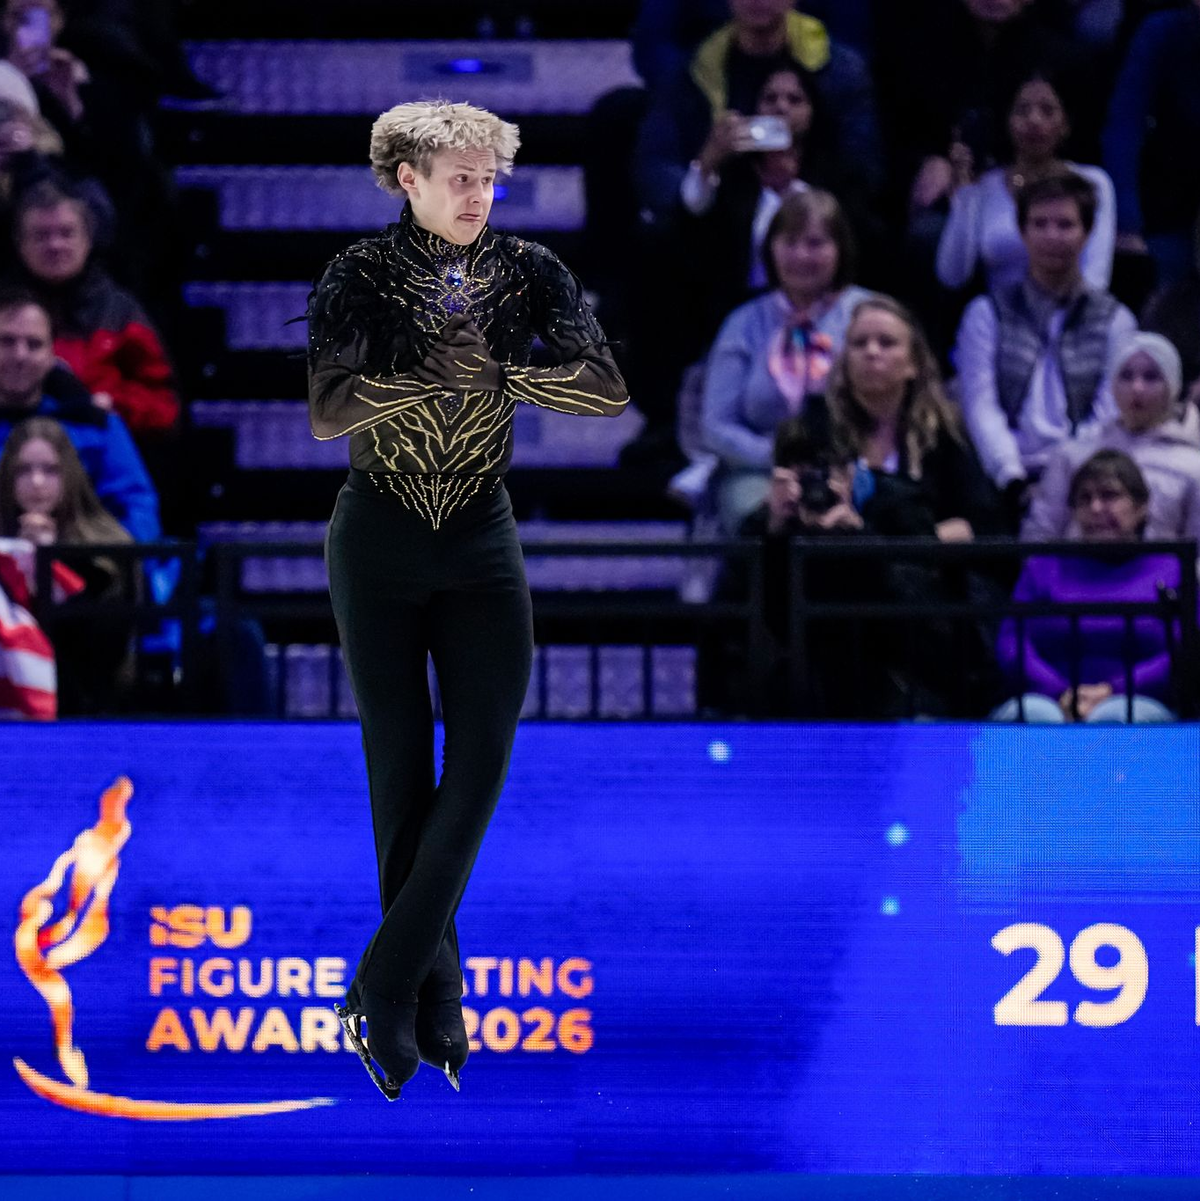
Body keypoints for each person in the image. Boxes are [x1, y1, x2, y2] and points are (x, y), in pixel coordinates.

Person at [308, 101, 627, 1098]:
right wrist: (424, 377)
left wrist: (505, 372)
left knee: (482, 759)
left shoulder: (530, 272)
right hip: (379, 538)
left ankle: (381, 984)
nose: (479, 192)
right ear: (406, 177)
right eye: (459, 175)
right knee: (400, 768)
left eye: (489, 176)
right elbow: (327, 410)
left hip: (482, 536)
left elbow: (605, 389)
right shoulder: (357, 276)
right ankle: (433, 1005)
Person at [953, 172, 1137, 525]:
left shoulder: (1116, 319)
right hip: (1001, 480)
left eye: (1065, 225)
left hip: (1084, 481)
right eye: (1040, 224)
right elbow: (980, 405)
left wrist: (1065, 475)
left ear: (1087, 233)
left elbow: (1108, 411)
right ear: (1023, 232)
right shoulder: (986, 313)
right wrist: (1012, 478)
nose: (1052, 236)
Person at [701, 190, 872, 532]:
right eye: (790, 243)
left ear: (840, 249)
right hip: (760, 470)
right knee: (762, 517)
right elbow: (716, 426)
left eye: (815, 243)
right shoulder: (744, 323)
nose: (801, 255)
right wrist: (781, 461)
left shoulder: (868, 315)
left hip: (860, 467)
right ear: (770, 249)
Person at [995, 449, 1189, 722]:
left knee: (1115, 718)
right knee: (1033, 717)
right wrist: (1060, 691)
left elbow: (1186, 650)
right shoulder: (1043, 566)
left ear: (1141, 506)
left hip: (1143, 698)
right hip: (1048, 698)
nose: (1096, 508)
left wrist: (1113, 690)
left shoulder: (1171, 569)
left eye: (1109, 496)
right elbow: (1011, 642)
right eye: (1084, 499)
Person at [9, 179, 178, 438]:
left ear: (88, 240)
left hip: (100, 451)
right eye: (42, 236)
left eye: (66, 233)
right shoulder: (3, 308)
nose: (55, 245)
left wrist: (112, 406)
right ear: (20, 244)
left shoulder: (120, 312)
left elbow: (166, 405)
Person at [0, 414, 134, 713]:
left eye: (50, 471)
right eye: (24, 470)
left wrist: (53, 559)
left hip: (87, 702)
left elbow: (107, 645)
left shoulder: (108, 542)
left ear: (70, 475)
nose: (37, 483)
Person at [0, 287, 158, 540]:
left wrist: (80, 553)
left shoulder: (95, 424)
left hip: (80, 568)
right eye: (6, 342)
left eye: (34, 344)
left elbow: (139, 515)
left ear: (52, 354)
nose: (20, 356)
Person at [936, 71, 1116, 292]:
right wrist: (964, 192)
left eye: (1047, 111)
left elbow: (1096, 279)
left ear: (1066, 124)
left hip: (1074, 315)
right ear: (1008, 121)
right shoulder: (983, 188)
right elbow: (952, 276)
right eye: (1022, 111)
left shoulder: (1093, 183)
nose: (1034, 120)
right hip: (1001, 318)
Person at [1024, 332, 1200, 544]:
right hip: (1077, 575)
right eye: (1126, 376)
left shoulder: (1193, 467)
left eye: (1151, 377)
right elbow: (1040, 537)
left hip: (1162, 577)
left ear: (1173, 386)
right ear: (1112, 385)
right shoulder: (1073, 455)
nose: (1137, 388)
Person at [1102, 0, 1200, 286]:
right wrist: (1126, 218)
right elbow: (1124, 123)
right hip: (1169, 195)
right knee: (1162, 300)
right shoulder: (1161, 31)